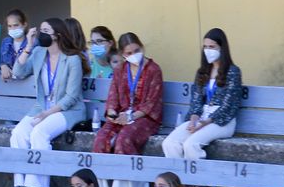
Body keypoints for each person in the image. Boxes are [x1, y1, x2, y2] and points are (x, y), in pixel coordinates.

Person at [7, 18, 85, 187]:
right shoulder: (39, 52)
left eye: (45, 31)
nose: (41, 34)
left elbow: (72, 97)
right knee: (18, 134)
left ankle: (40, 186)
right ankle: (21, 184)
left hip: (67, 111)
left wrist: (47, 113)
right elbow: (18, 72)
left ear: (57, 35)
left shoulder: (72, 59)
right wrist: (28, 45)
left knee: (39, 133)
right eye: (40, 30)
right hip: (42, 108)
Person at [162, 28, 243, 161]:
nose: (208, 50)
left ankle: (198, 182)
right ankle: (178, 180)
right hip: (201, 117)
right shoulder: (202, 71)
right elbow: (196, 101)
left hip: (221, 121)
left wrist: (204, 123)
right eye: (205, 47)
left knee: (190, 145)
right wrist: (194, 120)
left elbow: (229, 106)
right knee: (169, 143)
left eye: (212, 47)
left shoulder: (233, 72)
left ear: (222, 48)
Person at [94, 32, 162, 155]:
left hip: (145, 118)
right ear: (122, 54)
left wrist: (131, 117)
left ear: (142, 47)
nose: (134, 55)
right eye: (129, 53)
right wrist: (112, 113)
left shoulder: (153, 70)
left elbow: (151, 103)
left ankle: (126, 174)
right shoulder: (120, 69)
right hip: (121, 115)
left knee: (124, 139)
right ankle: (102, 174)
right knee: (101, 138)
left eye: (137, 50)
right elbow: (113, 96)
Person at [0, 10, 34, 80]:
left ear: (24, 25)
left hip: (27, 85)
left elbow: (32, 67)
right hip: (8, 85)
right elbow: (0, 62)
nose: (13, 29)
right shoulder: (5, 42)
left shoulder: (33, 42)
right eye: (9, 26)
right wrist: (3, 66)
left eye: (16, 25)